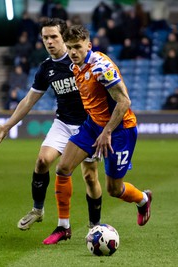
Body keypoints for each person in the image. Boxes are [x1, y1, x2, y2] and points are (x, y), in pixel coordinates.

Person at [42, 24, 152, 245]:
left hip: (120, 130)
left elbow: (124, 102)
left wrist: (107, 131)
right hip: (93, 126)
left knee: (114, 189)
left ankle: (143, 199)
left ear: (88, 46)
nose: (73, 52)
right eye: (70, 47)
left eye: (78, 47)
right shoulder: (75, 66)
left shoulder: (102, 67)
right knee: (63, 168)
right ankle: (64, 227)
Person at [0, 18, 102, 231]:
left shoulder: (81, 60)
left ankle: (94, 226)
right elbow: (29, 100)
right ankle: (38, 210)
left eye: (54, 37)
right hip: (63, 122)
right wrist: (7, 125)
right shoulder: (46, 68)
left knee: (89, 177)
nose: (49, 42)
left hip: (89, 125)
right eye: (45, 37)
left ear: (64, 37)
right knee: (42, 161)